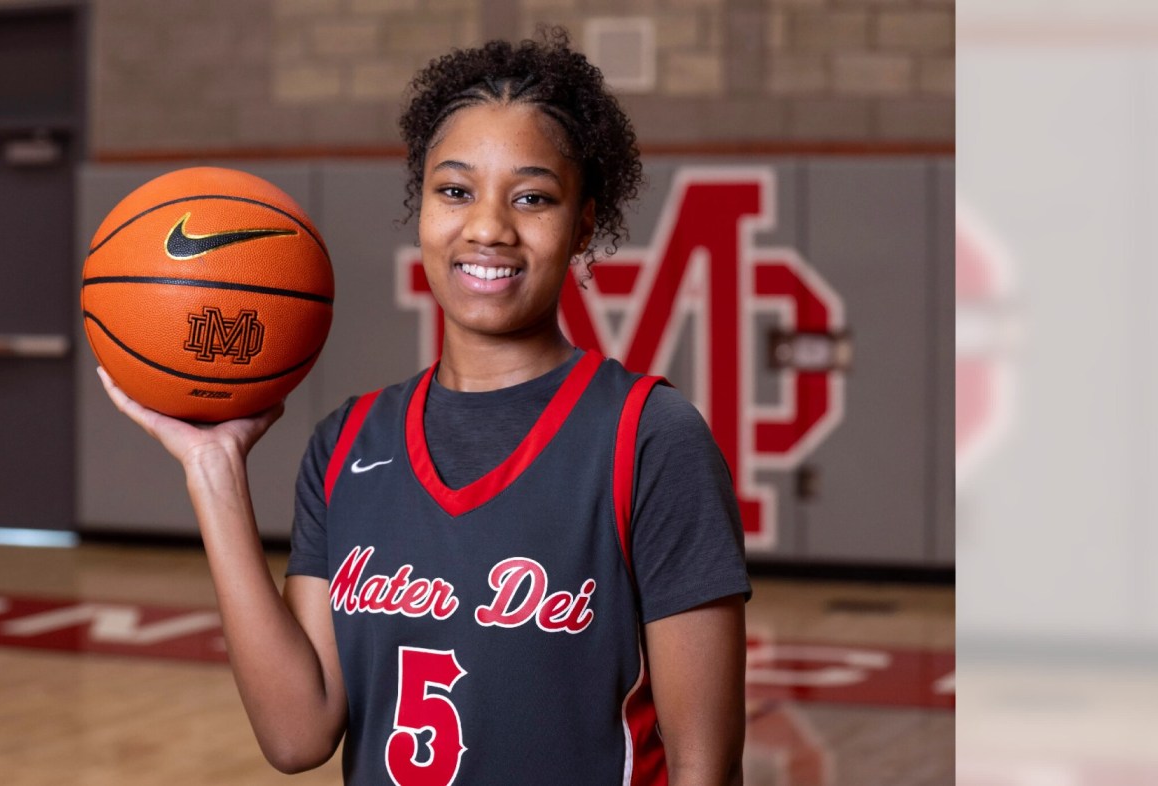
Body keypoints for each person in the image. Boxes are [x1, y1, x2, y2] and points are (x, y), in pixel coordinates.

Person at [99, 27, 750, 786]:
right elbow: (296, 735)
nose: (488, 227)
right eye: (455, 190)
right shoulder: (346, 445)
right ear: (422, 207)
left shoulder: (650, 439)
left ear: (582, 224)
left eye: (532, 198)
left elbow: (706, 768)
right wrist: (214, 470)